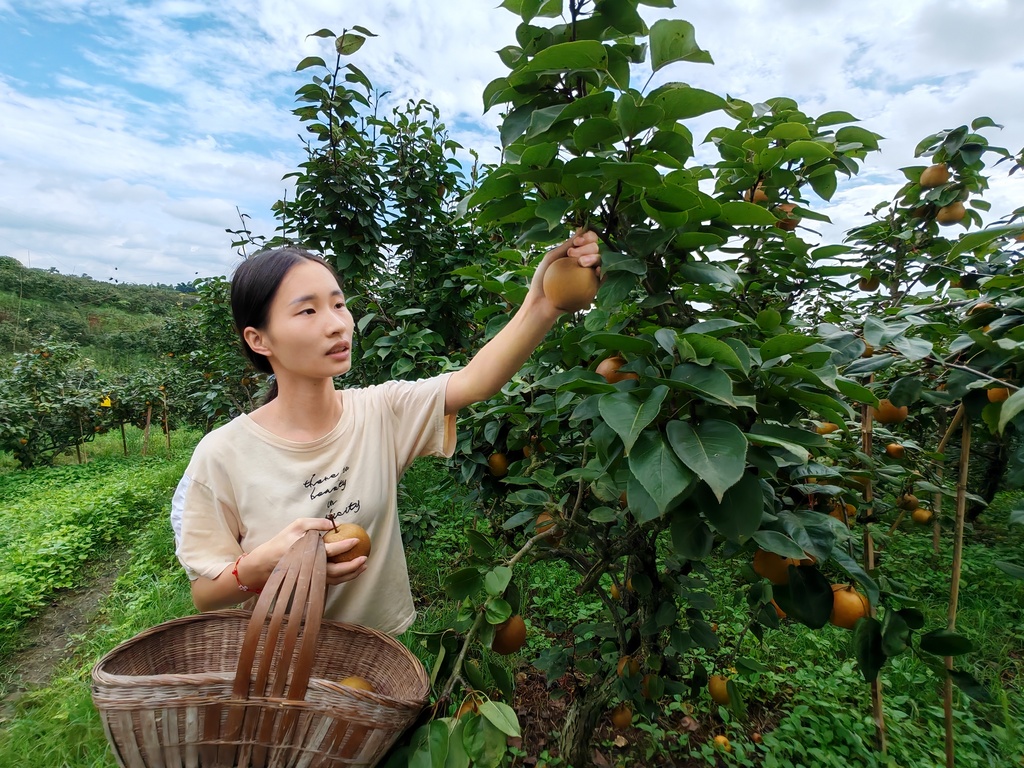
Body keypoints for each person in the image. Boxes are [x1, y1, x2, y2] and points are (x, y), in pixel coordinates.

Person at [171, 230, 601, 635]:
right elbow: (206, 594)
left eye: (339, 305)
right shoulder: (223, 454)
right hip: (285, 668)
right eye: (308, 310)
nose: (337, 324)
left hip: (380, 662)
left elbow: (475, 381)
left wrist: (542, 303)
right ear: (258, 339)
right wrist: (262, 567)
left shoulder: (380, 412)